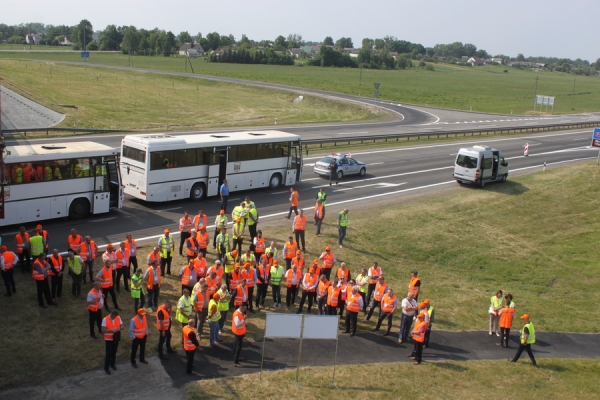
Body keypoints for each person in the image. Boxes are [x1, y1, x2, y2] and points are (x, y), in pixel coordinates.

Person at [102, 310, 123, 374]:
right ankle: (106, 368)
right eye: (113, 316)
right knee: (108, 354)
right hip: (108, 339)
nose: (114, 318)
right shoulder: (105, 319)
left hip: (115, 338)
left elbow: (122, 326)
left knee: (114, 352)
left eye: (115, 317)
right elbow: (103, 330)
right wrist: (111, 330)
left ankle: (112, 364)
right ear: (111, 314)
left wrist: (119, 328)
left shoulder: (118, 318)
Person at [232, 303, 247, 367]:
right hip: (238, 333)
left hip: (239, 332)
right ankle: (236, 362)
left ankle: (236, 357)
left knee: (237, 346)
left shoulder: (240, 313)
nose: (245, 309)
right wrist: (244, 319)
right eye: (244, 308)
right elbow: (237, 323)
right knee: (238, 347)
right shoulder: (237, 314)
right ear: (241, 307)